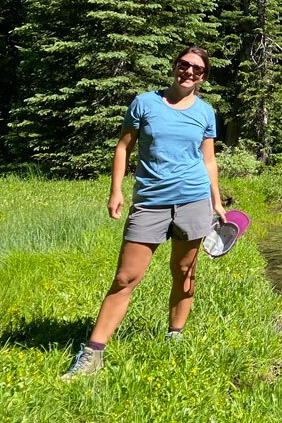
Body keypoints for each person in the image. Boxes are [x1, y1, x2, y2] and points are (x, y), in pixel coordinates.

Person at [63, 46, 227, 378]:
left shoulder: (206, 112)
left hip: (193, 200)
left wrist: (217, 201)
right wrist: (116, 189)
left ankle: (174, 337)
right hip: (150, 202)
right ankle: (92, 354)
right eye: (184, 65)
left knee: (184, 272)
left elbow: (208, 159)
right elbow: (124, 147)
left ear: (203, 76)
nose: (189, 72)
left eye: (197, 69)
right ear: (175, 66)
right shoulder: (145, 103)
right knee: (125, 278)